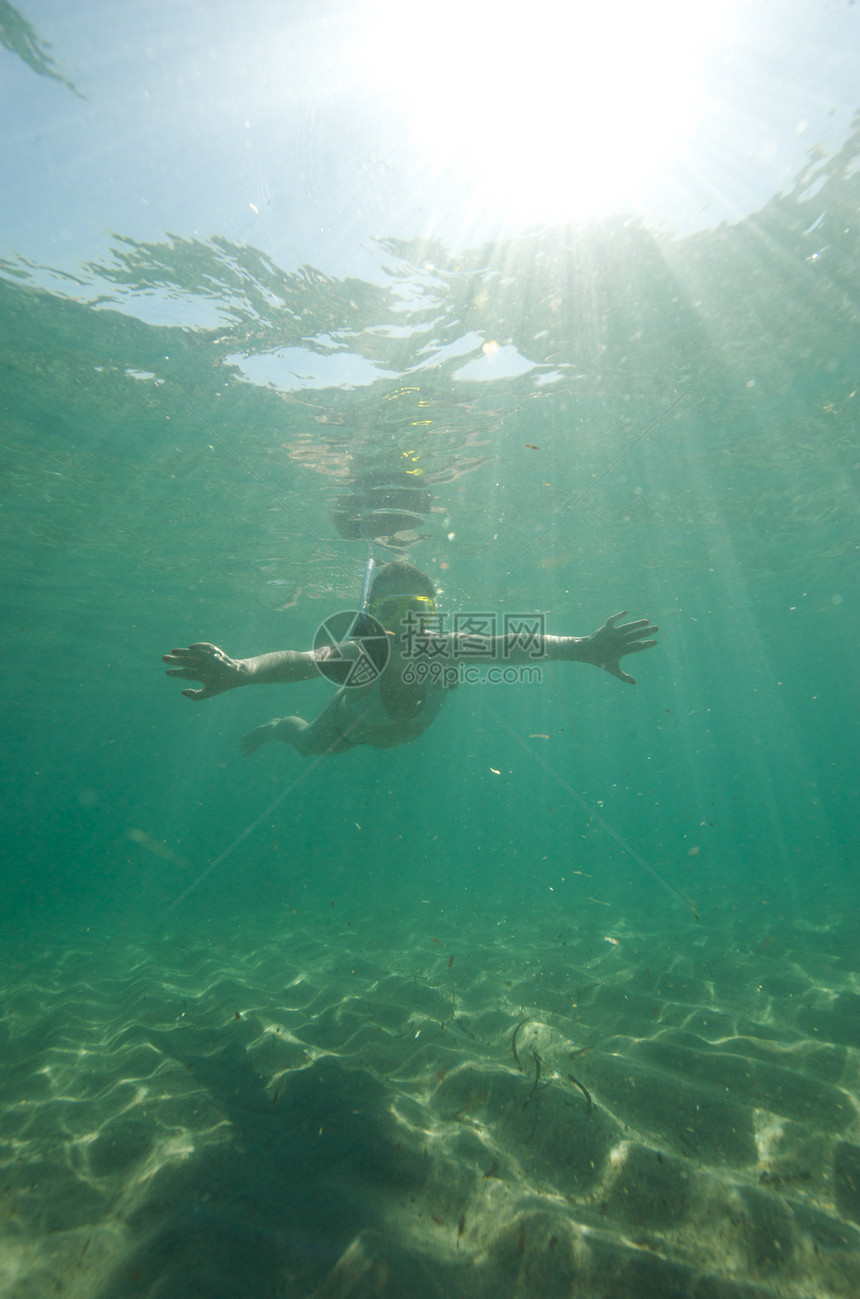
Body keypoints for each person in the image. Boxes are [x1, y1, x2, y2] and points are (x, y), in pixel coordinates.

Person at [163, 561, 658, 757]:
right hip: (344, 729)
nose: (402, 623)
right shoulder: (363, 656)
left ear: (433, 615)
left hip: (393, 730)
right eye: (389, 610)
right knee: (306, 746)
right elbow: (298, 659)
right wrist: (241, 671)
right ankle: (276, 727)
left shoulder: (446, 648)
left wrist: (586, 649)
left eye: (415, 609)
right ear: (373, 617)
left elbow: (521, 642)